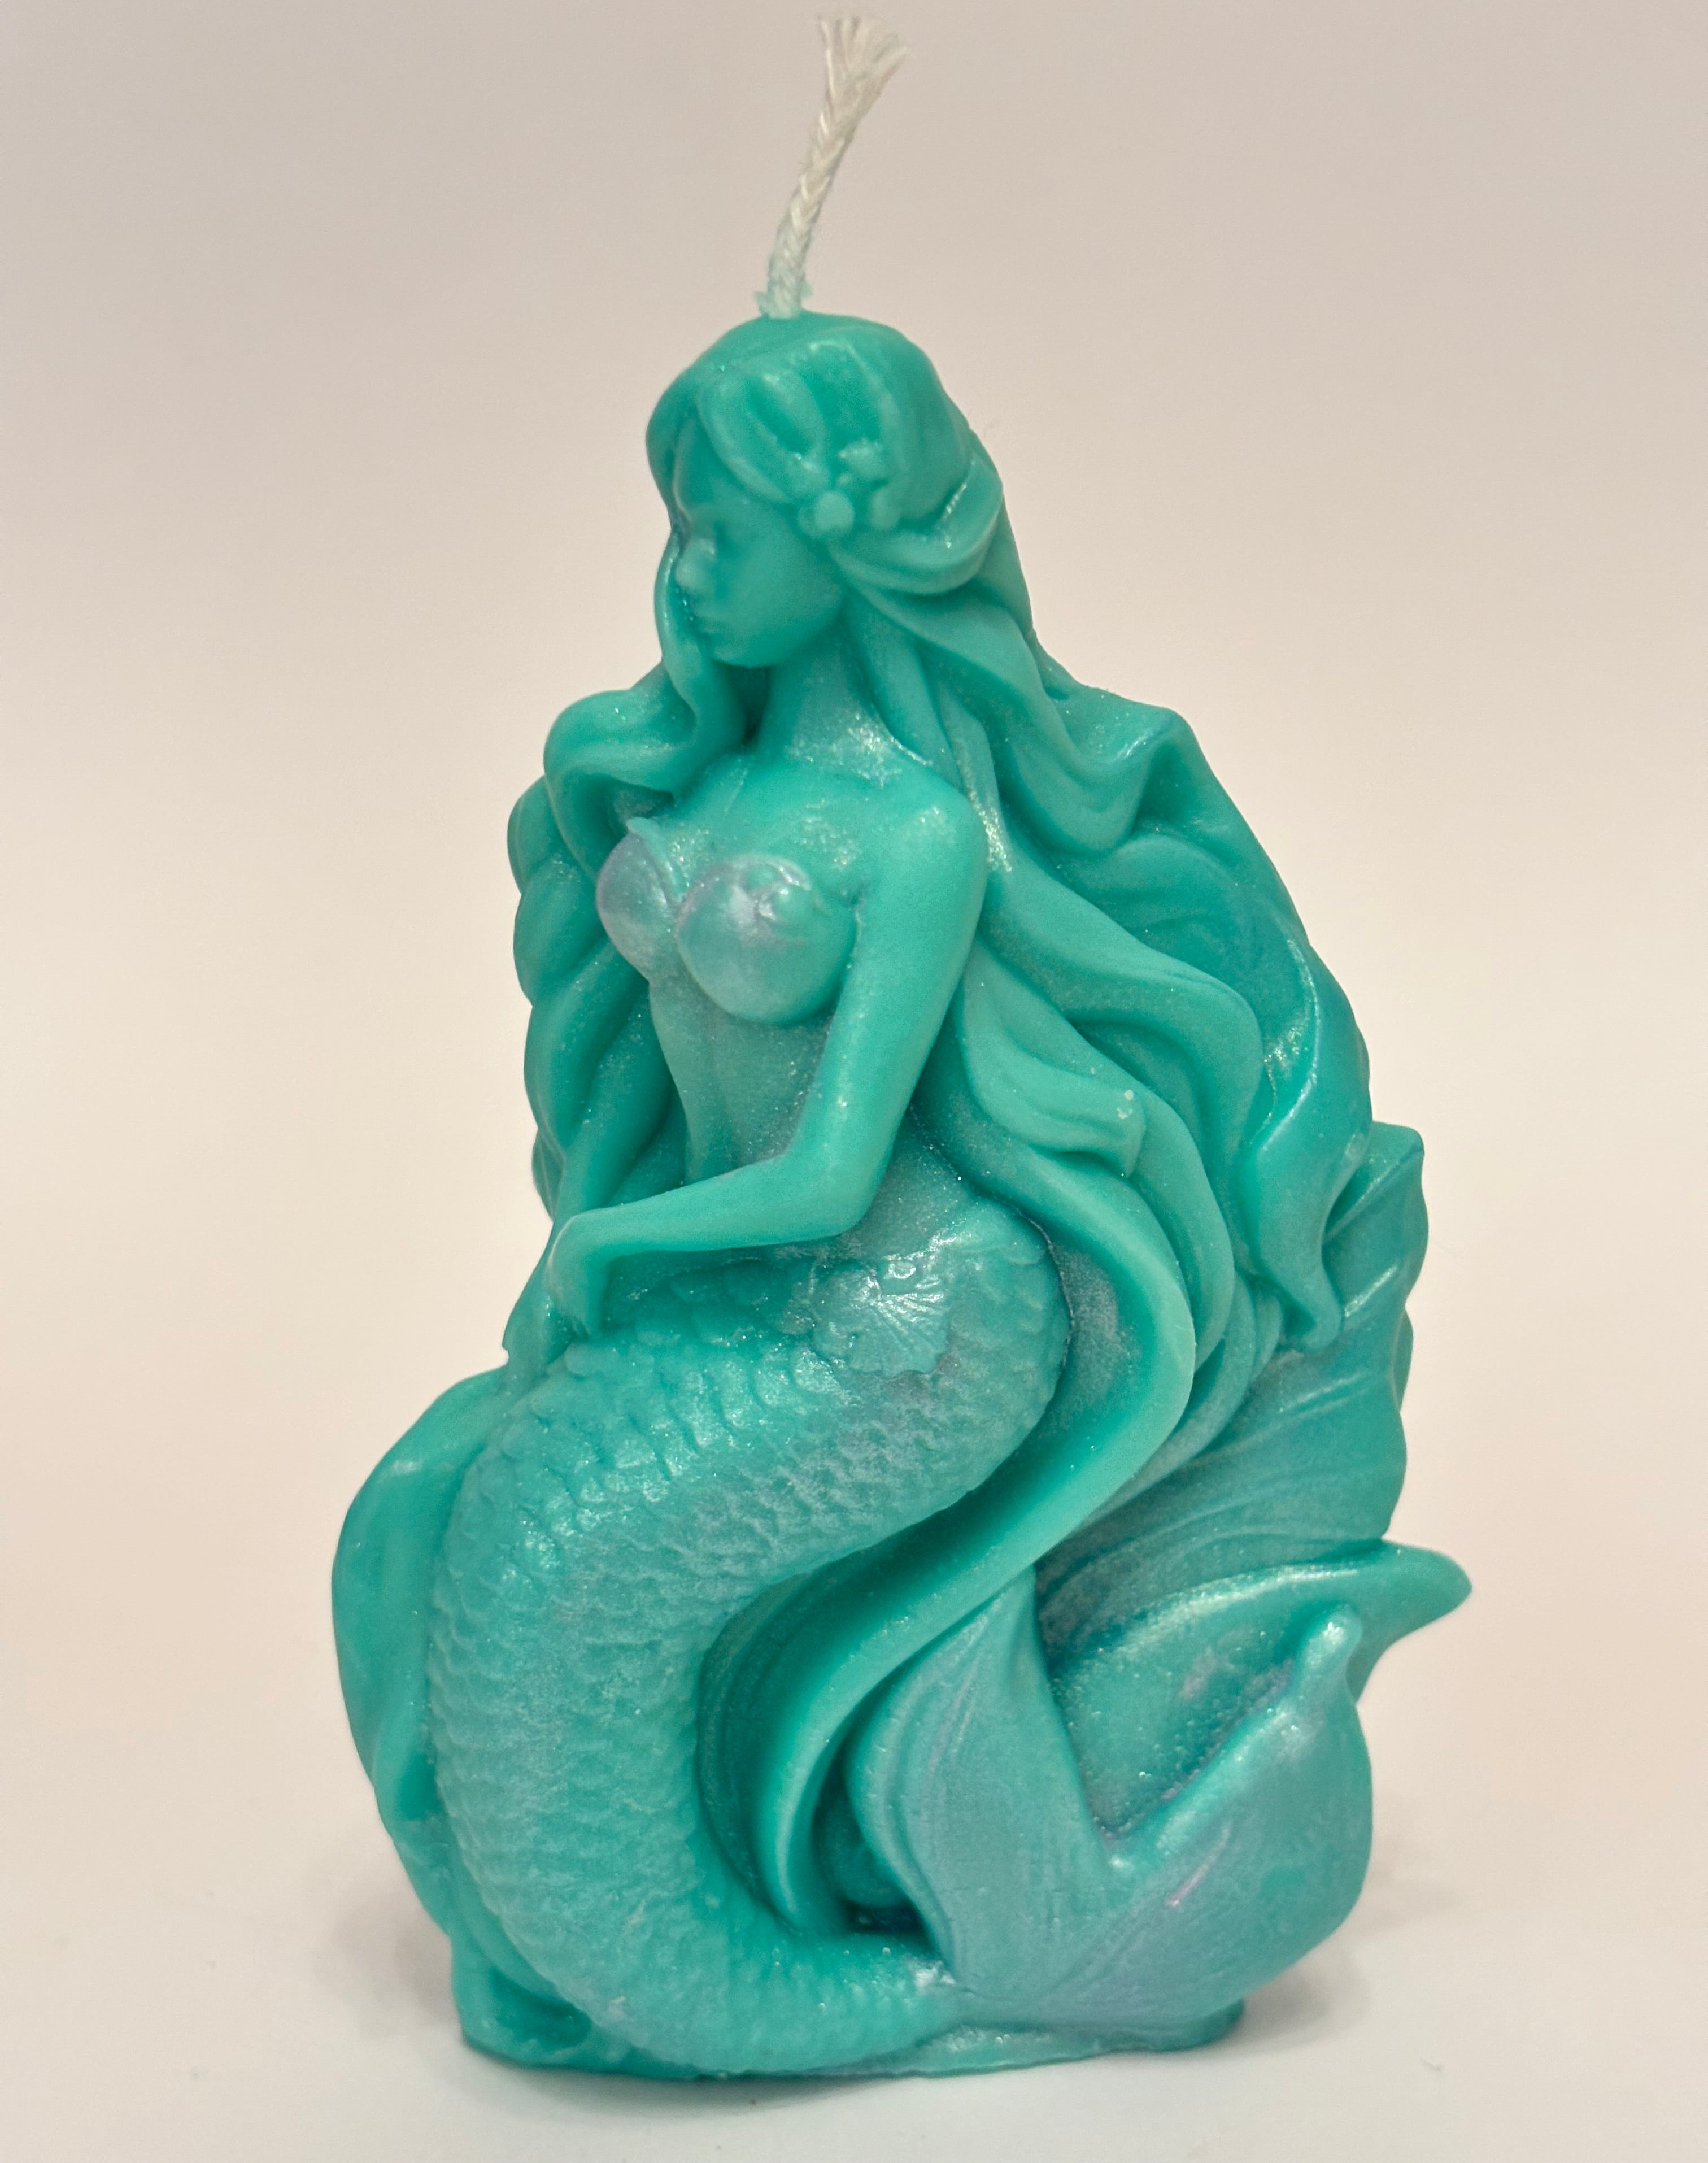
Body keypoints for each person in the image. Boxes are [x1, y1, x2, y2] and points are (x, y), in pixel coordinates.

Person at [334, 312, 1466, 2079]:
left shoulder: (924, 832)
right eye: (679, 527)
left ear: (848, 539)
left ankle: (886, 1964)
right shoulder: (699, 775)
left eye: (729, 531)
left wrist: (609, 1249)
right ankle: (604, 1951)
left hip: (917, 1318)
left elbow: (830, 1169)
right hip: (748, 1294)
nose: (691, 571)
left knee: (556, 1572)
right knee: (436, 1516)